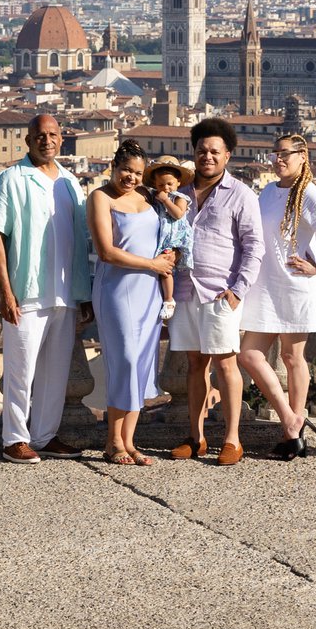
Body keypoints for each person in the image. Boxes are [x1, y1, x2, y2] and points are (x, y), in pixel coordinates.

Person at [0, 114, 93, 464]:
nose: (47, 140)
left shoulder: (71, 182)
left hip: (66, 292)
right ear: (28, 140)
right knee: (21, 370)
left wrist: (85, 293)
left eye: (53, 135)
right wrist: (5, 290)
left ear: (61, 139)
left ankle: (45, 436)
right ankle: (14, 438)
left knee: (56, 371)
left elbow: (81, 239)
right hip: (26, 291)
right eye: (40, 135)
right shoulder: (10, 179)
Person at [240, 132, 316, 459]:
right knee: (249, 354)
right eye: (275, 153)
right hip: (267, 285)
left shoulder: (309, 193)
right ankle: (292, 420)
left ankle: (293, 434)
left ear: (303, 157)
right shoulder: (268, 192)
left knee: (292, 358)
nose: (278, 159)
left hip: (296, 284)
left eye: (286, 154)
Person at [168, 117, 264, 465]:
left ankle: (233, 440)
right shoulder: (180, 193)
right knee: (195, 364)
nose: (207, 156)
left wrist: (238, 290)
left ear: (228, 156)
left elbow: (254, 246)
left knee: (225, 364)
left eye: (214, 151)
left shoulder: (241, 194)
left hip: (220, 292)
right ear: (193, 154)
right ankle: (197, 438)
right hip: (183, 291)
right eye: (201, 151)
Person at [88, 140, 180, 465]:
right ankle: (112, 441)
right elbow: (106, 252)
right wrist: (153, 265)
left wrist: (170, 255)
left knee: (141, 362)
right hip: (116, 288)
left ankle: (129, 441)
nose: (131, 177)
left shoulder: (147, 195)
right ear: (114, 165)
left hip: (150, 291)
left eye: (138, 172)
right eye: (126, 169)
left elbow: (170, 230)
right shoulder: (100, 197)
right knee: (124, 360)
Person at [144, 156, 194, 320]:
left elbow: (178, 214)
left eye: (169, 184)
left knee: (165, 270)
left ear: (178, 182)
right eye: (160, 185)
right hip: (160, 239)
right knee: (158, 270)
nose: (165, 188)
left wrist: (166, 200)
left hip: (173, 240)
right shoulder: (155, 198)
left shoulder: (180, 198)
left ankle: (168, 299)